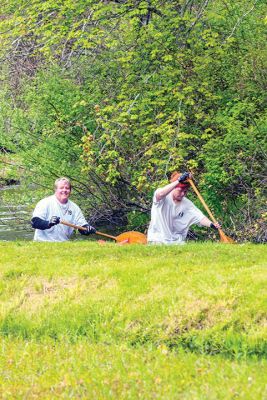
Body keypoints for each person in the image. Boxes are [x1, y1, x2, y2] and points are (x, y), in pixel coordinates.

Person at [147, 172, 221, 245]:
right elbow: (160, 194)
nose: (182, 194)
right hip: (157, 239)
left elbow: (199, 217)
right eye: (180, 190)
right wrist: (178, 181)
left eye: (185, 191)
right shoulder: (163, 197)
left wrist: (211, 224)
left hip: (176, 241)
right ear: (174, 188)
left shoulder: (187, 204)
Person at [31, 177, 96, 242]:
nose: (64, 190)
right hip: (43, 242)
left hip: (63, 244)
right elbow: (35, 222)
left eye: (67, 188)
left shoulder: (74, 208)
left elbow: (82, 226)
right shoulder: (45, 202)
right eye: (61, 188)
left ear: (70, 191)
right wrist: (49, 223)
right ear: (55, 190)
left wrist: (87, 228)